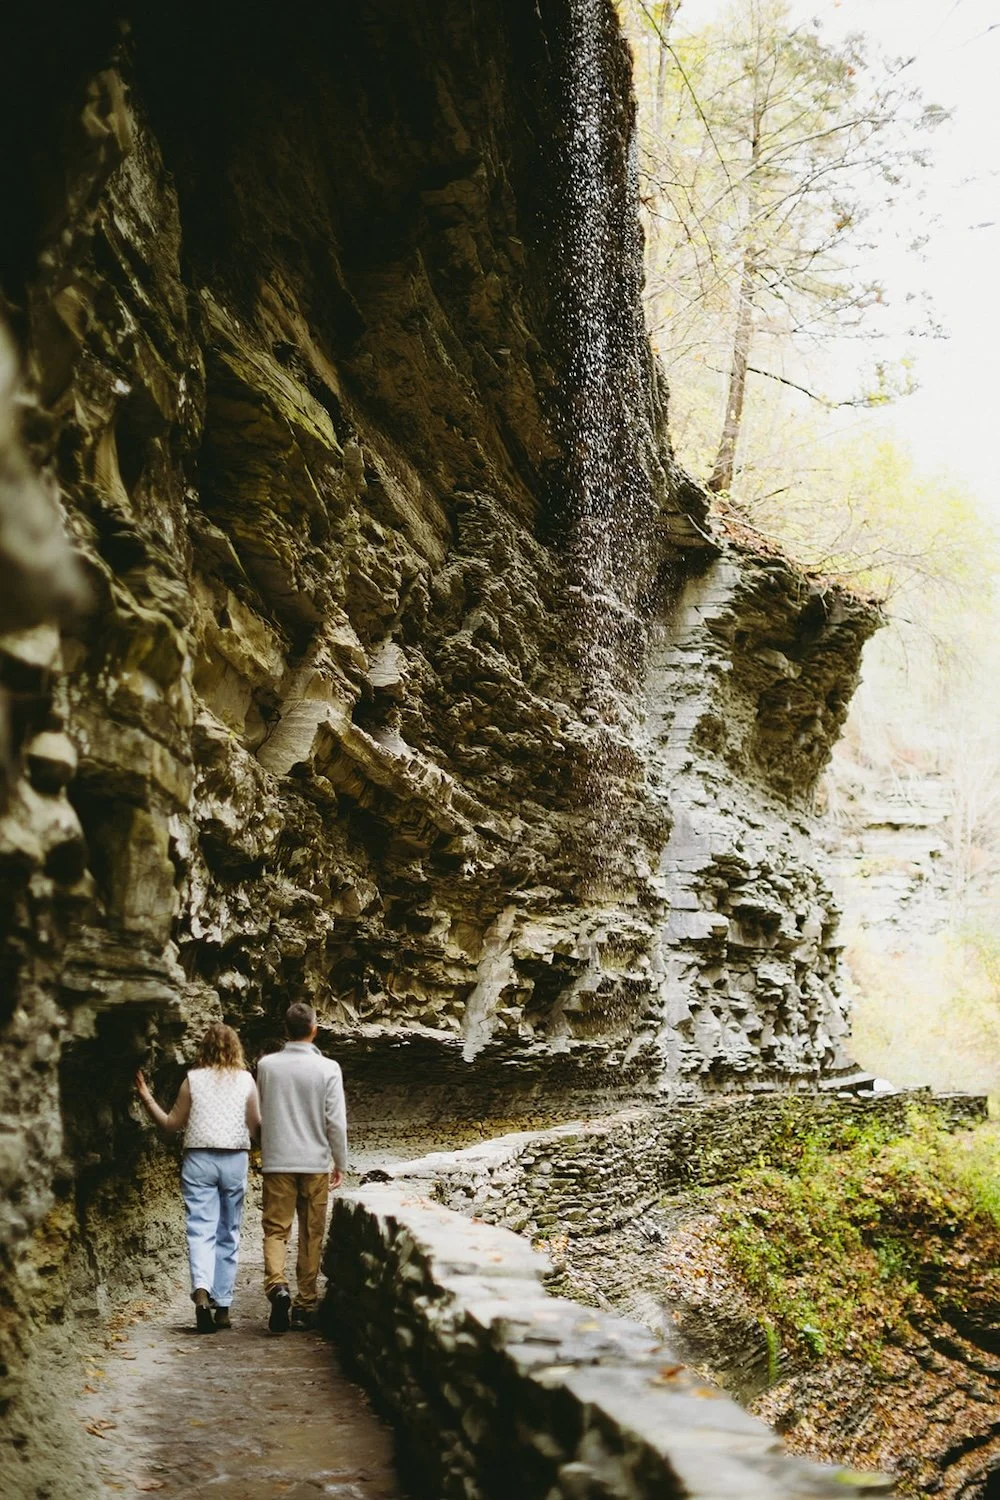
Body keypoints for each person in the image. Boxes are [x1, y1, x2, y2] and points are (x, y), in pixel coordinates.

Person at [135, 1022, 260, 1334]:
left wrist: (145, 1096)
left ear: (203, 1048)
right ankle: (223, 1308)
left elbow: (169, 1125)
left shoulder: (192, 1080)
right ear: (236, 1049)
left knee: (200, 1229)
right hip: (234, 1158)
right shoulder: (246, 1080)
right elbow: (257, 1128)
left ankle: (202, 1291)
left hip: (199, 1159)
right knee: (228, 1231)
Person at [256, 1002, 347, 1333]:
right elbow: (335, 1121)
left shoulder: (267, 1066)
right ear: (314, 1029)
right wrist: (340, 1162)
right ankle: (305, 1306)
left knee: (276, 1230)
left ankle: (277, 1286)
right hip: (314, 1162)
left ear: (285, 1031)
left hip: (278, 1159)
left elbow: (262, 1111)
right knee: (312, 1233)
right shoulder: (328, 1069)